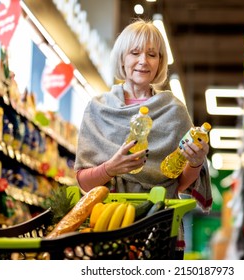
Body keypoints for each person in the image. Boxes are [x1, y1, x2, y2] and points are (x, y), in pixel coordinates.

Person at [74, 18, 212, 259]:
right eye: (134, 52)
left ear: (160, 62)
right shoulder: (98, 109)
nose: (143, 61)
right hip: (109, 228)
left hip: (161, 229)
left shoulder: (174, 110)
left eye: (152, 54)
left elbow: (182, 183)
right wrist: (110, 169)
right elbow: (85, 183)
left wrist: (196, 161)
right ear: (121, 59)